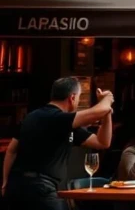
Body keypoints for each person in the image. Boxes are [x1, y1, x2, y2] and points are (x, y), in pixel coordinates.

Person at [2, 77, 114, 209]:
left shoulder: (31, 117)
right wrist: (107, 99)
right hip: (40, 189)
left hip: (16, 187)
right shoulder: (58, 118)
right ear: (72, 98)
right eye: (78, 97)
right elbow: (97, 112)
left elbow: (102, 142)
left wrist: (5, 181)